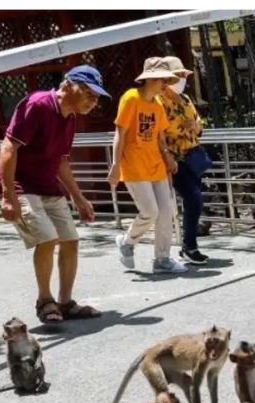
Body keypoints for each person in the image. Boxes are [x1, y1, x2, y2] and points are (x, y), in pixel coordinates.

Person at [0, 65, 109, 323]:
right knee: (47, 239)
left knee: (70, 240)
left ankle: (65, 302)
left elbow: (61, 162)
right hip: (21, 184)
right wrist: (8, 195)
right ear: (68, 85)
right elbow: (9, 147)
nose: (93, 100)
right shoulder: (38, 105)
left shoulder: (70, 117)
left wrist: (78, 198)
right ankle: (45, 301)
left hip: (47, 185)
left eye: (97, 96)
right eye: (88, 93)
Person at [109, 57, 186, 274]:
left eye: (166, 80)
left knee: (165, 213)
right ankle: (127, 241)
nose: (165, 84)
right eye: (162, 79)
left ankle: (162, 259)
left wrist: (168, 158)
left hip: (156, 166)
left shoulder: (158, 104)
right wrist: (115, 165)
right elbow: (120, 133)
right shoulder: (130, 98)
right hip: (134, 165)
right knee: (150, 211)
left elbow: (160, 138)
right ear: (149, 79)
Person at [158, 55, 210, 265]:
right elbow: (159, 132)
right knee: (194, 198)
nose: (182, 79)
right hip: (175, 158)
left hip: (193, 155)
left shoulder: (186, 99)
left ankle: (188, 244)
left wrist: (196, 126)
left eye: (183, 75)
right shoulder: (159, 101)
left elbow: (199, 124)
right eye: (177, 75)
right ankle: (189, 245)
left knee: (193, 200)